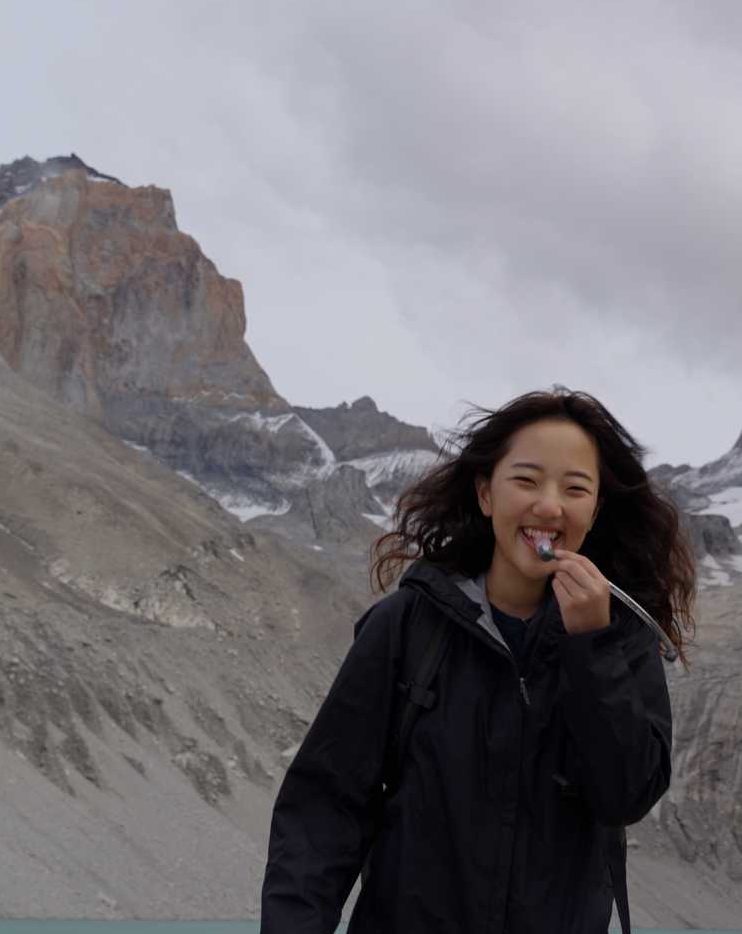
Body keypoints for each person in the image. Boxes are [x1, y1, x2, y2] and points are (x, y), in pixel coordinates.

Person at [261, 388, 694, 933]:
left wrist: (591, 647)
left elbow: (626, 794)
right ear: (486, 494)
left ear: (595, 510)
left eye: (575, 488)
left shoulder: (620, 639)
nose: (549, 506)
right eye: (526, 480)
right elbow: (324, 807)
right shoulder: (409, 624)